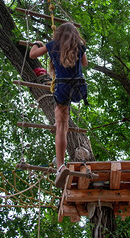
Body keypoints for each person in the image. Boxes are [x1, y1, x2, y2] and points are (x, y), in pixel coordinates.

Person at [29, 22, 88, 188]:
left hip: (62, 88)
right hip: (78, 89)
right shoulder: (80, 46)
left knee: (61, 127)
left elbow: (33, 55)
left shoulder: (52, 45)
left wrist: (37, 44)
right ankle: (61, 162)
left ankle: (60, 165)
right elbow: (85, 64)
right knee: (66, 126)